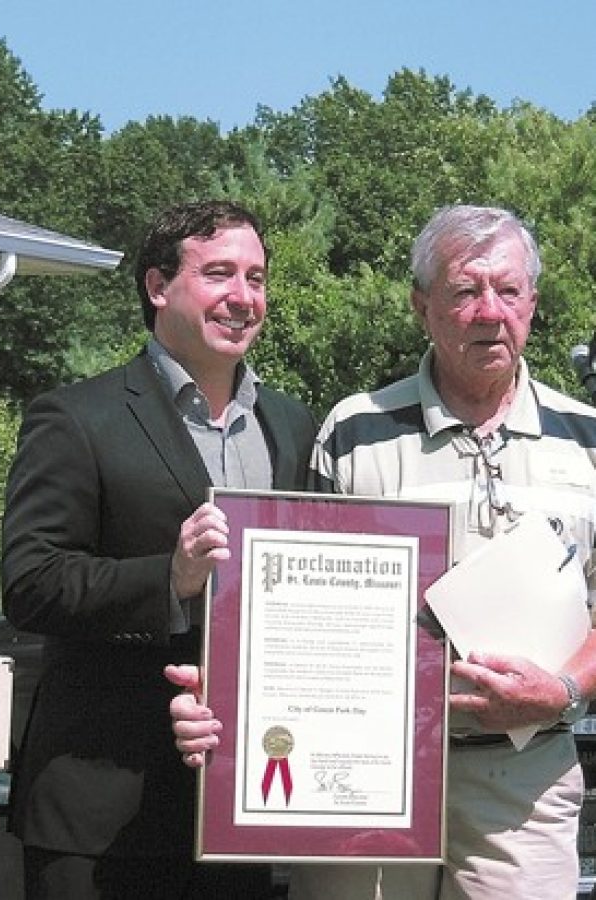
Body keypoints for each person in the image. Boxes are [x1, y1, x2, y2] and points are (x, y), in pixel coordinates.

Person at [168, 204, 596, 899]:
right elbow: (292, 611)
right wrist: (227, 694)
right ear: (421, 305)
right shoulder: (353, 430)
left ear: (533, 303)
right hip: (359, 776)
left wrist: (564, 689)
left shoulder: (588, 438)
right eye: (464, 291)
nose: (490, 312)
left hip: (521, 783)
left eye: (509, 291)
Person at [0, 199, 316, 899]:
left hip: (245, 806)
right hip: (102, 813)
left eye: (257, 278)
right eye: (220, 274)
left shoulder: (294, 426)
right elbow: (30, 582)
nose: (243, 297)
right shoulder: (76, 418)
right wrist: (169, 579)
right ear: (157, 286)